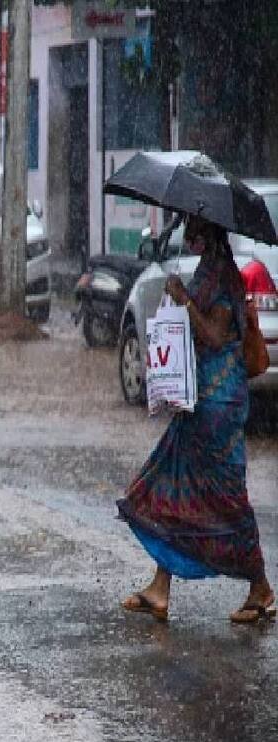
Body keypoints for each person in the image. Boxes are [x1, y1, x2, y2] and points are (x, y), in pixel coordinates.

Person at [119, 215, 273, 624]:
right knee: (169, 484)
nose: (187, 238)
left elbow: (216, 336)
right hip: (199, 403)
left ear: (208, 236)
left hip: (219, 409)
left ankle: (260, 586)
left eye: (193, 231)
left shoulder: (224, 279)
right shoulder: (208, 273)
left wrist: (183, 299)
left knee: (226, 498)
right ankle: (160, 587)